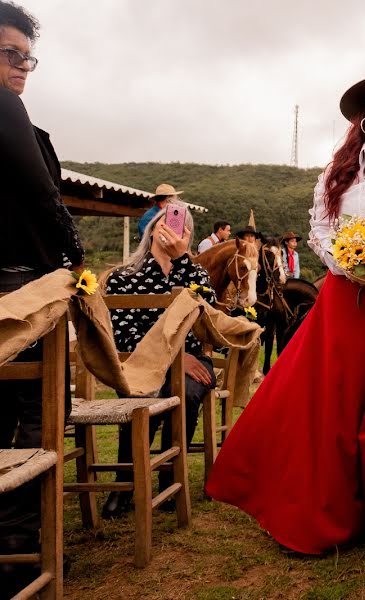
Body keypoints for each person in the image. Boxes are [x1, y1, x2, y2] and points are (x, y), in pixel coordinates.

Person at [206, 72, 365, 554]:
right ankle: (327, 519)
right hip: (349, 298)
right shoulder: (338, 174)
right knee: (334, 407)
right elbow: (321, 230)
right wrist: (348, 260)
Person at [0, 1, 84, 591]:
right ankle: (18, 539)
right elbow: (44, 200)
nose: (22, 67)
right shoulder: (7, 108)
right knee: (40, 414)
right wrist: (75, 256)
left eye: (29, 57)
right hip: (20, 287)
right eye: (10, 54)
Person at [101, 205, 217, 518]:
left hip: (193, 361)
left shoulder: (194, 273)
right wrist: (174, 360)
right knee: (142, 392)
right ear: (153, 228)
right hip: (141, 363)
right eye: (166, 224)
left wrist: (182, 260)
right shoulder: (122, 277)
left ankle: (169, 479)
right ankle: (127, 481)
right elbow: (124, 335)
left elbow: (210, 316)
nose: (172, 230)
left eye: (181, 227)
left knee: (189, 392)